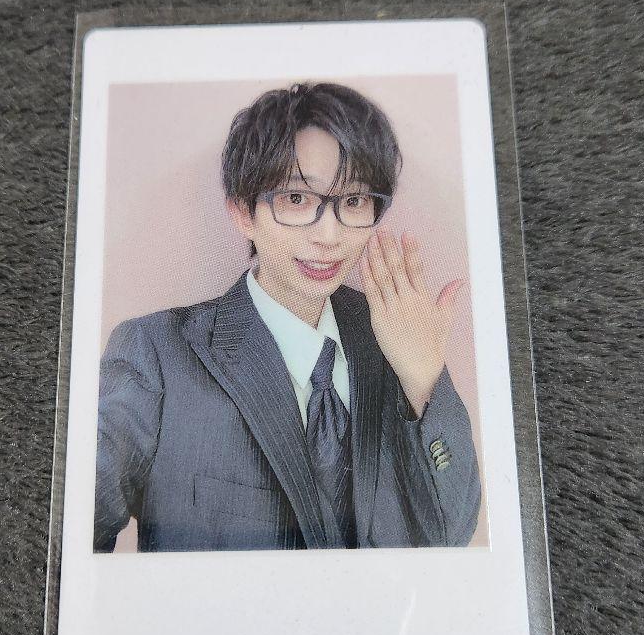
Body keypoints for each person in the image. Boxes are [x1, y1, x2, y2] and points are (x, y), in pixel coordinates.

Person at [94, 82, 482, 552]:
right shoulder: (156, 353)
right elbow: (74, 543)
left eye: (353, 201)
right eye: (297, 199)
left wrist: (424, 378)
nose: (329, 236)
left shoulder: (395, 336)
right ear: (243, 212)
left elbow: (451, 536)